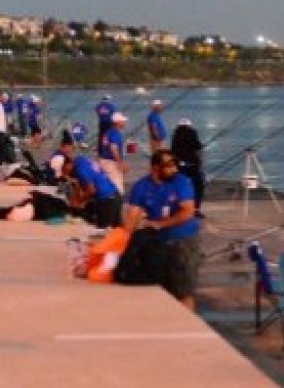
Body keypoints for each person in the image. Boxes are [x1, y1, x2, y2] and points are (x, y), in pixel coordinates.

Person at [123, 149, 202, 311]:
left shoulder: (182, 182)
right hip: (158, 244)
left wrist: (160, 224)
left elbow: (187, 211)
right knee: (159, 287)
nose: (174, 169)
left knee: (184, 290)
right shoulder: (141, 187)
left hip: (183, 239)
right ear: (155, 168)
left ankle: (188, 325)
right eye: (169, 166)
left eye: (175, 165)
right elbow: (131, 220)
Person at [62, 152, 123, 228]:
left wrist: (79, 202)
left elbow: (91, 190)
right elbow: (83, 186)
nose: (64, 173)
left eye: (63, 170)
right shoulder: (81, 160)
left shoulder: (80, 169)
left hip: (107, 199)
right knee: (117, 231)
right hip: (115, 194)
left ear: (67, 164)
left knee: (101, 232)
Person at [170, 118, 206, 218]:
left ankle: (177, 208)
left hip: (179, 166)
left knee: (178, 186)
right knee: (198, 186)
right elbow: (198, 147)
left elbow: (173, 151)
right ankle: (195, 209)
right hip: (192, 165)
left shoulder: (175, 135)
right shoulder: (192, 132)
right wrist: (201, 163)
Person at [99, 112, 128, 193]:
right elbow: (113, 149)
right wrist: (120, 163)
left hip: (104, 161)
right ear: (117, 122)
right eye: (122, 121)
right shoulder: (115, 133)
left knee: (108, 185)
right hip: (111, 163)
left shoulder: (108, 132)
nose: (124, 122)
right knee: (118, 187)